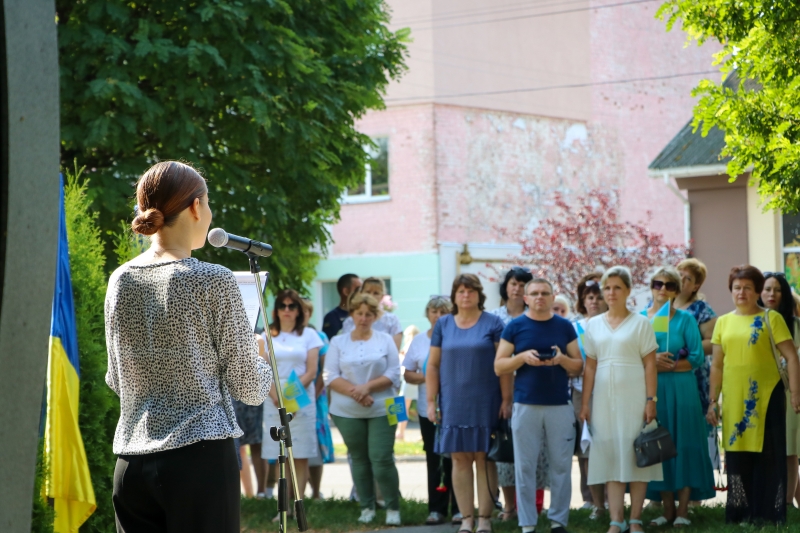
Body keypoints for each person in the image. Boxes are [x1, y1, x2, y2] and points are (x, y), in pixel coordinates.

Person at [105, 161, 272, 532]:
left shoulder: (120, 280)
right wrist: (259, 357)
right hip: (199, 459)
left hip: (131, 461)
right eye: (208, 203)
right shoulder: (212, 279)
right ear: (196, 207)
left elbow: (116, 379)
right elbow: (250, 388)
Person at [707, 265, 800, 524]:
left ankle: (769, 513)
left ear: (757, 291)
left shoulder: (772, 318)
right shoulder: (723, 322)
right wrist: (712, 401)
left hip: (767, 396)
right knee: (738, 455)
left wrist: (795, 392)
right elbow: (716, 365)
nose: (742, 292)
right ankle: (741, 512)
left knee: (769, 455)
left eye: (748, 287)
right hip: (735, 400)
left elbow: (792, 357)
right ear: (731, 291)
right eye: (737, 288)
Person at [495, 278, 584, 533]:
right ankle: (527, 524)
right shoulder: (515, 326)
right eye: (534, 293)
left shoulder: (564, 326)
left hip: (559, 404)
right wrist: (522, 358)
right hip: (525, 404)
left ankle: (558, 521)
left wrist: (561, 360)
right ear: (526, 298)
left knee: (561, 465)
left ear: (553, 296)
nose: (540, 297)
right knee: (525, 465)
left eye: (545, 293)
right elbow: (499, 365)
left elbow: (579, 365)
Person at [426, 274, 512, 533]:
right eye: (461, 291)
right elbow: (432, 364)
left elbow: (505, 365)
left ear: (479, 294)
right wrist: (431, 401)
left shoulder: (494, 323)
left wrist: (507, 399)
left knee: (485, 459)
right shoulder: (443, 325)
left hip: (487, 401)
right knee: (460, 461)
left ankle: (485, 518)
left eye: (471, 291)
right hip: (453, 402)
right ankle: (466, 518)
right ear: (454, 295)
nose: (466, 295)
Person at [579, 265, 661, 533]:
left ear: (627, 291)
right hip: (603, 399)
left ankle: (635, 519)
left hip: (635, 396)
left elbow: (650, 364)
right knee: (610, 454)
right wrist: (585, 403)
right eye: (607, 287)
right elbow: (590, 366)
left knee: (635, 453)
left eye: (617, 287)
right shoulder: (593, 324)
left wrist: (651, 399)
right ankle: (616, 520)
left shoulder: (641, 323)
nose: (611, 293)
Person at [641, 267, 715, 527]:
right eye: (658, 284)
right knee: (658, 445)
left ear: (676, 290)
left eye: (670, 285)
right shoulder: (639, 319)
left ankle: (683, 510)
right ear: (650, 286)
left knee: (684, 444)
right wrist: (649, 363)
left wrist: (667, 365)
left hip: (682, 389)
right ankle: (667, 510)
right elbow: (630, 356)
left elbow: (696, 357)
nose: (663, 289)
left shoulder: (685, 319)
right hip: (652, 390)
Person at [323, 293, 402, 525]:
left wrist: (367, 388)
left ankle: (392, 508)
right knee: (358, 458)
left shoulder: (385, 339)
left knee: (382, 458)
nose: (364, 318)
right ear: (352, 314)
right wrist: (357, 393)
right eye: (359, 313)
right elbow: (330, 375)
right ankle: (366, 506)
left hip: (382, 407)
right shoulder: (338, 341)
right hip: (347, 410)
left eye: (369, 314)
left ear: (376, 315)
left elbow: (394, 372)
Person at [261, 289, 322, 515]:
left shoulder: (309, 335)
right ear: (276, 310)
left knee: (300, 454)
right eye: (282, 306)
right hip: (273, 395)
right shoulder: (266, 335)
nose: (287, 310)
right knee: (281, 456)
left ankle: (298, 506)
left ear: (299, 310)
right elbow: (262, 370)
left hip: (300, 395)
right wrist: (277, 397)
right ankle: (282, 508)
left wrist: (290, 399)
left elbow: (312, 370)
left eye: (292, 306)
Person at [404, 296, 460, 525]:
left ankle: (459, 508)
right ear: (427, 314)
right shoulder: (418, 340)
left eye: (443, 312)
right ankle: (436, 508)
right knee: (433, 456)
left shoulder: (457, 335)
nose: (437, 316)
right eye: (434, 311)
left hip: (456, 405)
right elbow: (407, 373)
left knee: (458, 457)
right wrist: (429, 376)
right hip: (429, 408)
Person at [490, 267, 534, 522]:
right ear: (505, 287)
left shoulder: (536, 316)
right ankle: (508, 506)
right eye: (512, 283)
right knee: (505, 449)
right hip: (499, 390)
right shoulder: (494, 318)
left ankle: (530, 506)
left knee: (531, 453)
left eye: (521, 284)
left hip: (531, 388)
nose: (516, 288)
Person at [759, 272, 800, 508]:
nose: (771, 294)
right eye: (766, 289)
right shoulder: (752, 321)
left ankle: (784, 504)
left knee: (789, 449)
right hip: (760, 391)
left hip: (789, 390)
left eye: (777, 289)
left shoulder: (795, 325)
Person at [673, 258, 718, 475]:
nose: (681, 280)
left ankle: (693, 493)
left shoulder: (701, 308)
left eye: (687, 278)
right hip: (665, 374)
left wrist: (686, 348)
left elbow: (712, 343)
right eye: (679, 274)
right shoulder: (660, 306)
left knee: (693, 433)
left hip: (694, 376)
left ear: (696, 285)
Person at [572, 273, 608, 518]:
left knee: (609, 446)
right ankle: (593, 501)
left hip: (609, 390)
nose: (594, 302)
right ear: (582, 301)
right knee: (586, 448)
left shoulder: (612, 323)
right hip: (580, 391)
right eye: (589, 297)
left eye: (598, 297)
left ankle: (611, 498)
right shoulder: (574, 327)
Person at [301, 298, 333, 500]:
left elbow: (325, 369)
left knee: (315, 442)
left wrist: (316, 391)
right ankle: (300, 492)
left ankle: (316, 491)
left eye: (305, 311)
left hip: (315, 396)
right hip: (291, 396)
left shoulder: (319, 336)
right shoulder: (285, 336)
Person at [341, 277, 403, 349]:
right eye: (368, 292)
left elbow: (394, 350)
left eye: (376, 293)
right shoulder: (350, 321)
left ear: (382, 296)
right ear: (361, 293)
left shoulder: (392, 320)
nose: (371, 296)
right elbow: (345, 347)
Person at [323, 274, 362, 338]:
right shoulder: (332, 317)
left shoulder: (365, 314)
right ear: (346, 291)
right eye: (358, 289)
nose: (362, 292)